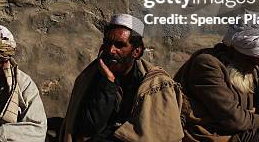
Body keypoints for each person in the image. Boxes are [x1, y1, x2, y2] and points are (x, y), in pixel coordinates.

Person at [174, 12, 259, 142]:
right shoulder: (207, 64)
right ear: (235, 49)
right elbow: (234, 120)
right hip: (216, 136)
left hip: (239, 132)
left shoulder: (249, 68)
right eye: (254, 59)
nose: (256, 65)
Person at [60, 14, 184, 142]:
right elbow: (88, 128)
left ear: (136, 51)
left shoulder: (154, 84)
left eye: (119, 45)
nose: (111, 50)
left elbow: (155, 134)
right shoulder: (92, 76)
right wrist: (108, 82)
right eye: (107, 43)